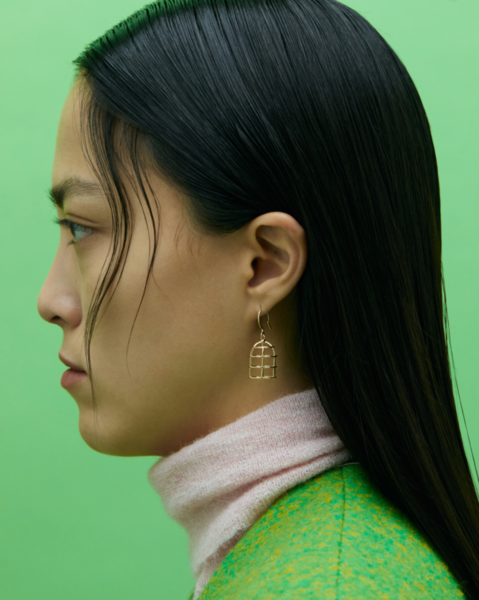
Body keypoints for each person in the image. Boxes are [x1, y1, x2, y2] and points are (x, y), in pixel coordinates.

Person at [37, 0, 479, 597]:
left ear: (264, 264)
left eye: (83, 227)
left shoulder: (330, 585)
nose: (51, 300)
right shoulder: (322, 556)